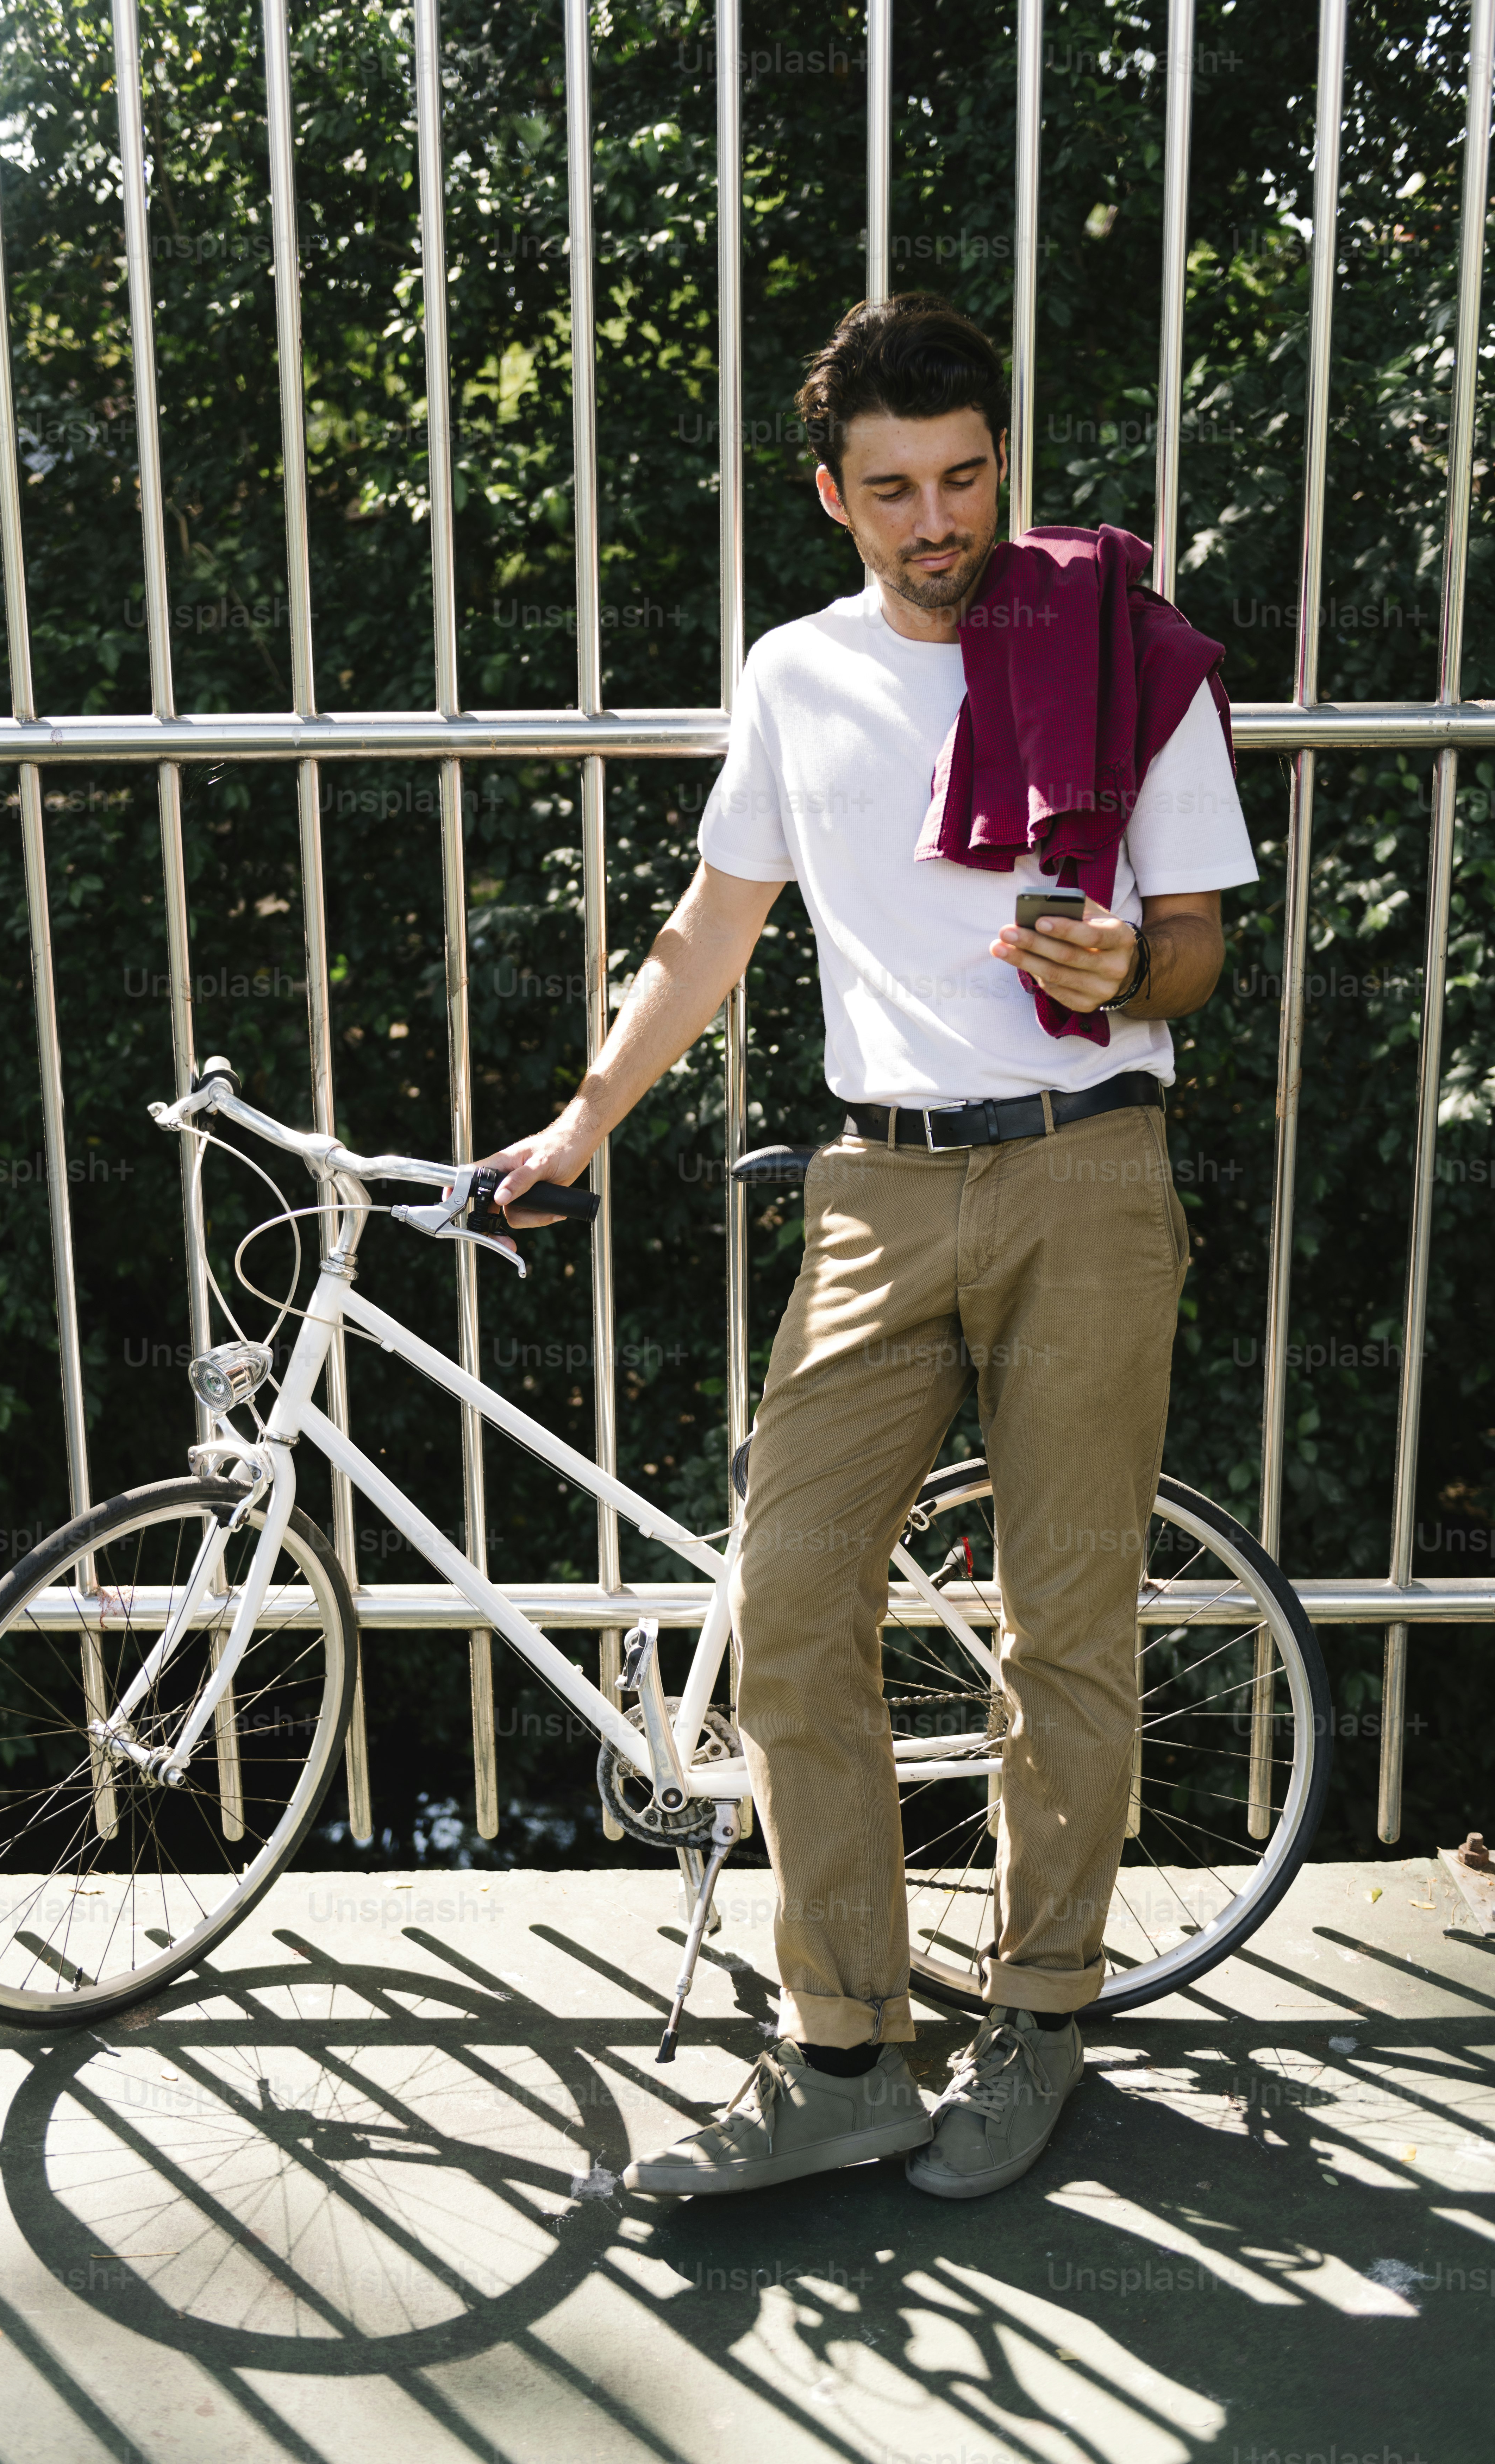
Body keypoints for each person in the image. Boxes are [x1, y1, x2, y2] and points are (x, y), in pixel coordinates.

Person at [489, 292, 1257, 2201]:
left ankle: (1044, 2017)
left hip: (1088, 1171)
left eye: (968, 479)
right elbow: (710, 930)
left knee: (1066, 1619)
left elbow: (1196, 948)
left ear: (1005, 466)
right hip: (874, 1184)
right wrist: (585, 1119)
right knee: (790, 1594)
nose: (941, 522)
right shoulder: (797, 676)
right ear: (834, 495)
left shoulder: (1121, 649)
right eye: (897, 489)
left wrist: (1125, 966)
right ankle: (846, 2051)